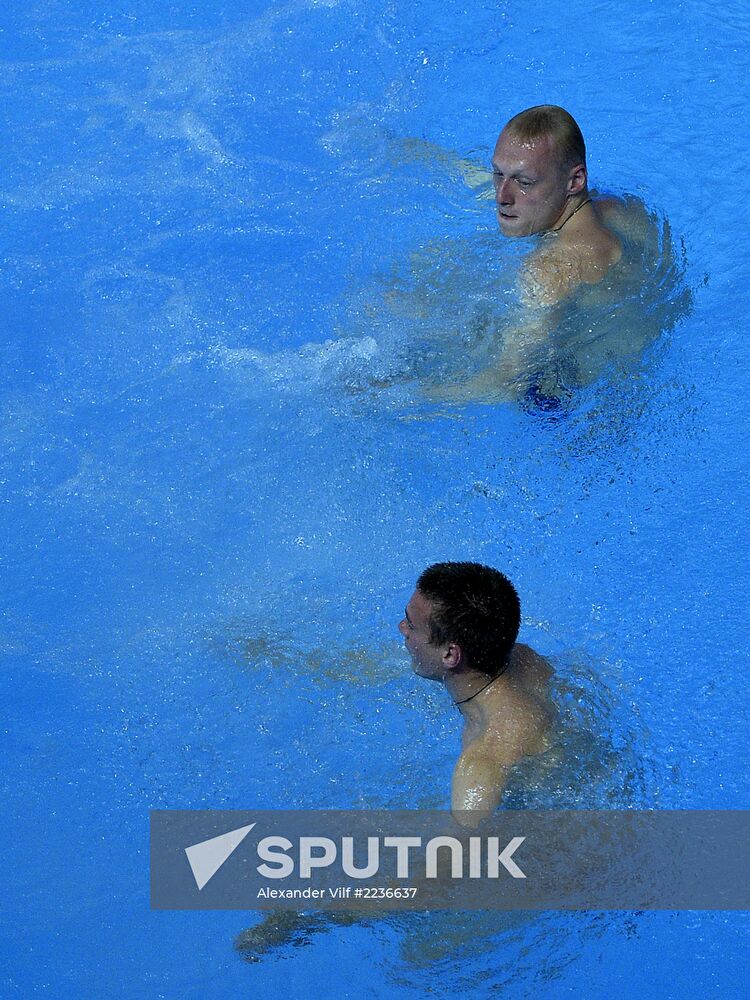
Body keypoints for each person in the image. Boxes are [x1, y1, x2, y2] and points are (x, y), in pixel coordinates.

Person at [399, 562, 554, 826]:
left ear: (450, 654)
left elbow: (458, 852)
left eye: (411, 626)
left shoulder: (483, 759)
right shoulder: (525, 659)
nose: (402, 627)